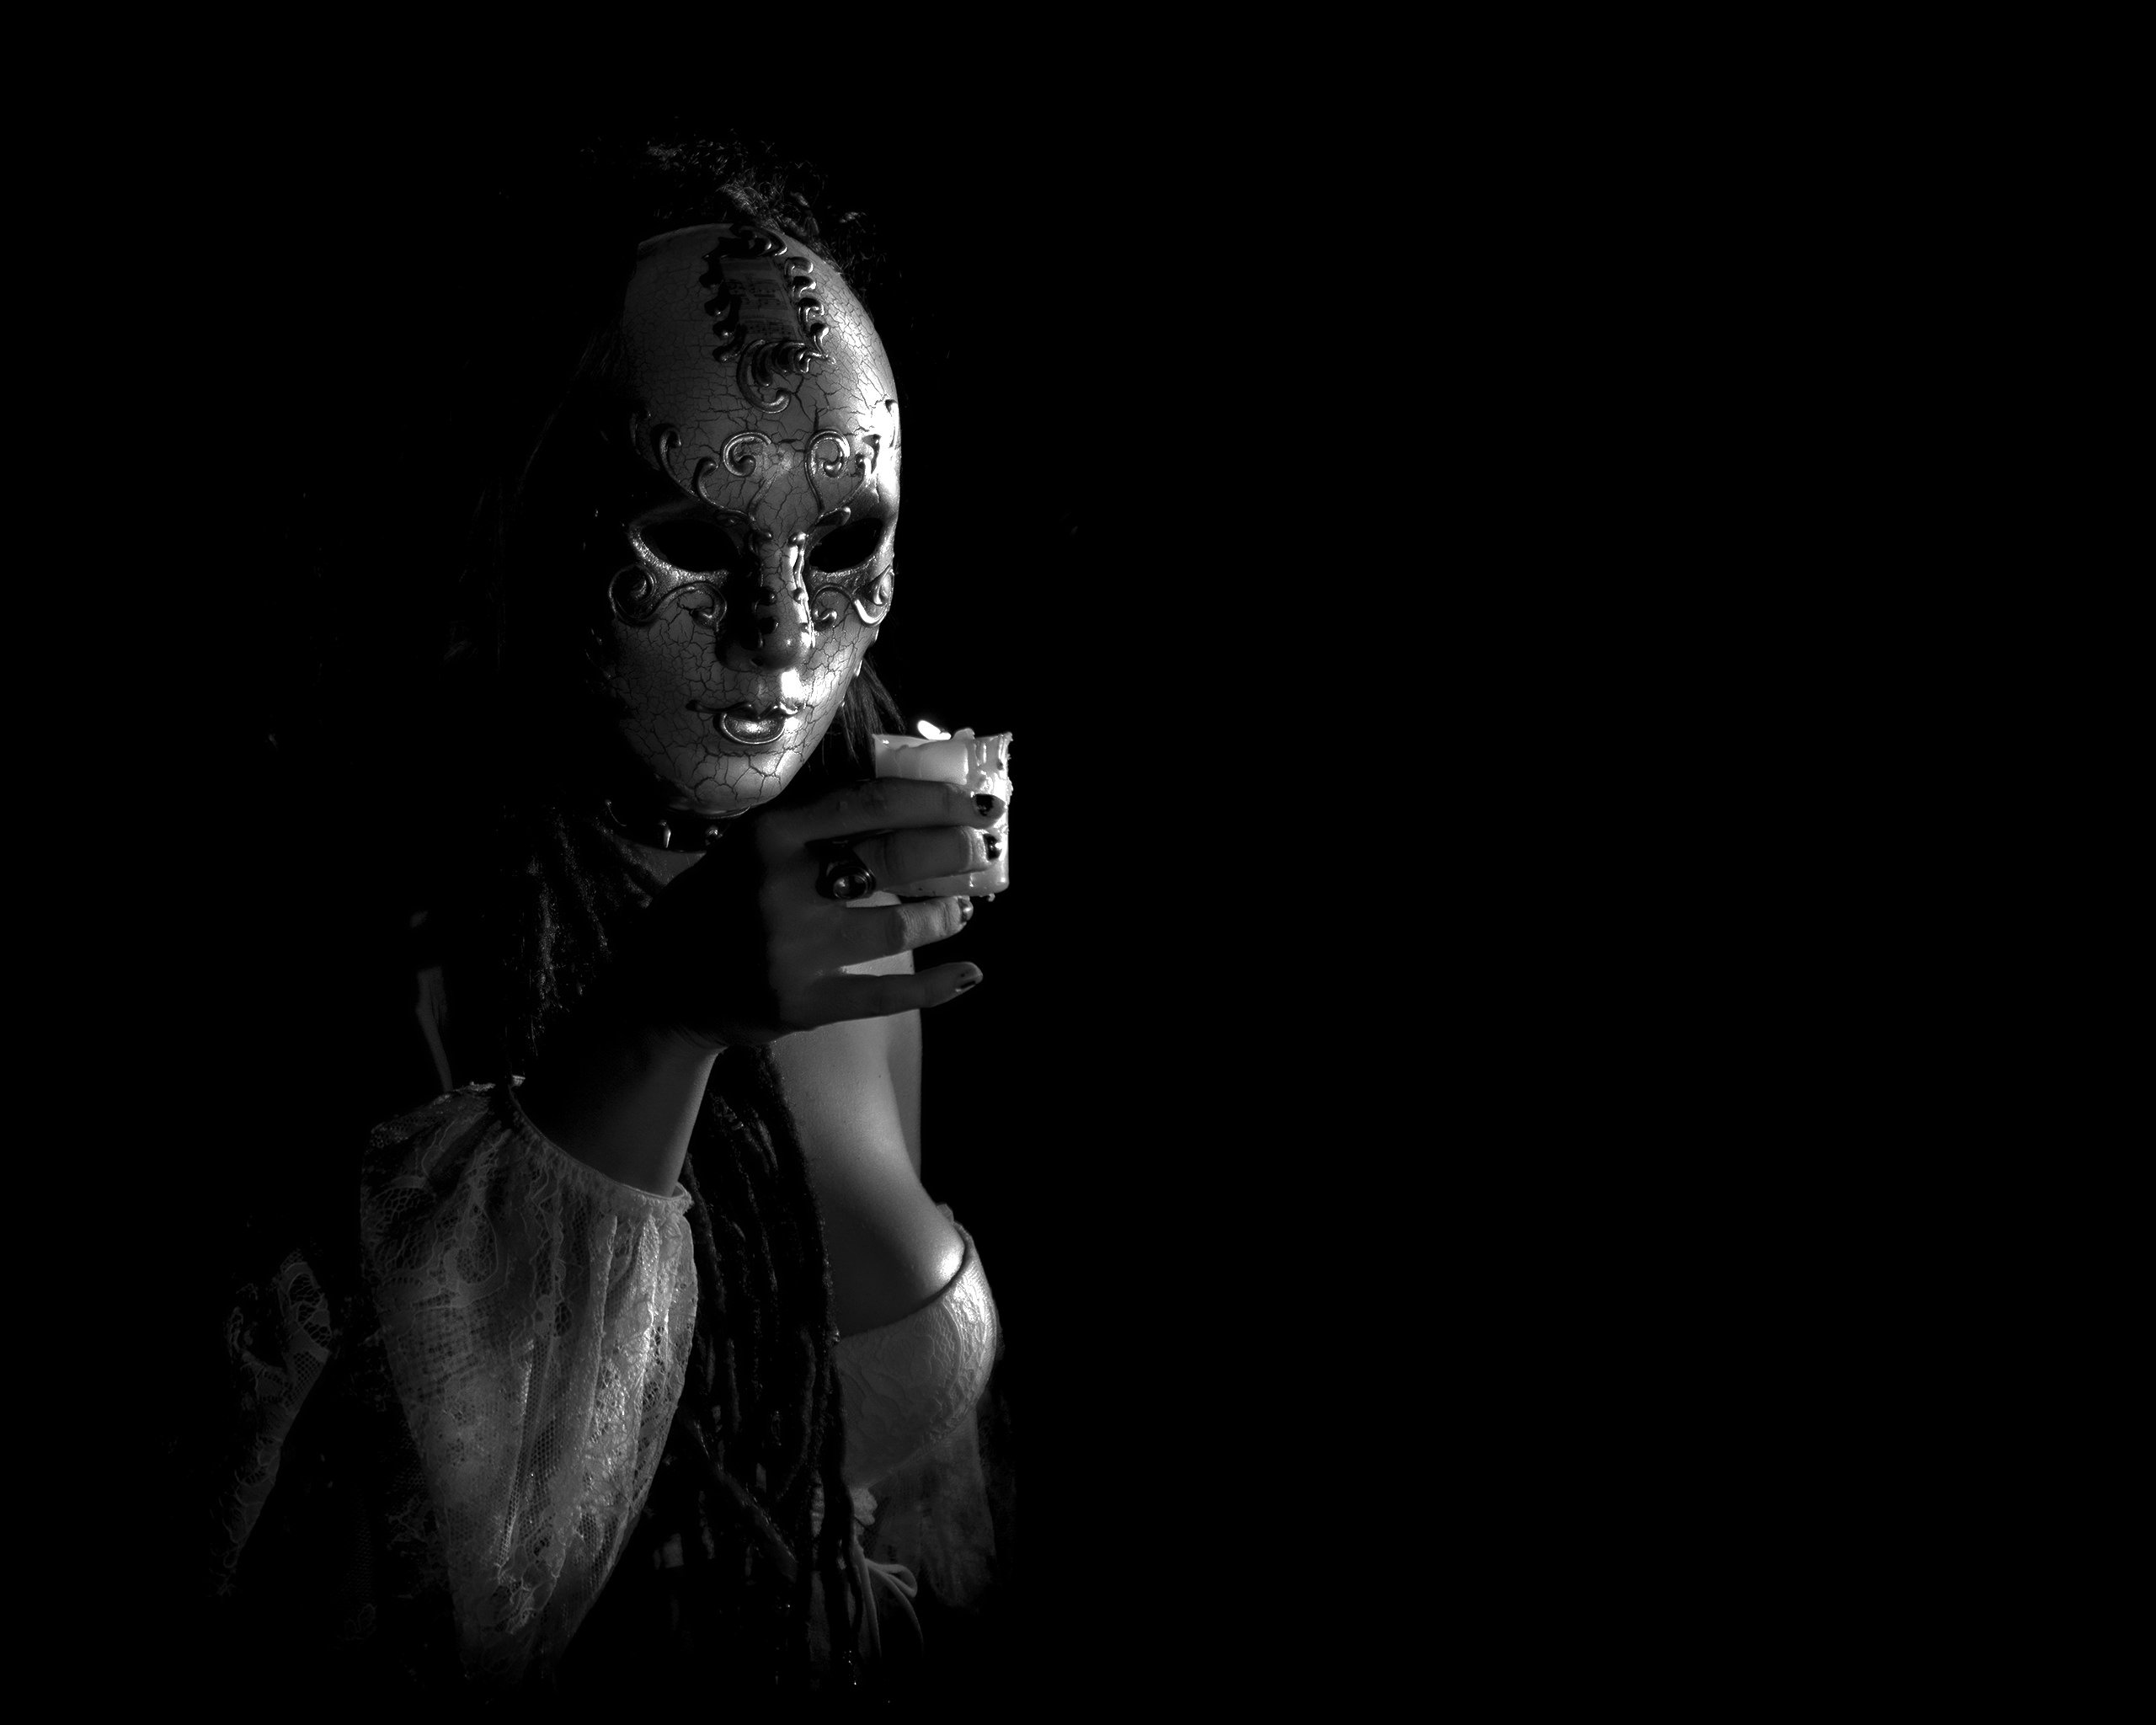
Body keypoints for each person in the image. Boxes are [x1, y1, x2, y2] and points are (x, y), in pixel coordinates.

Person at [203, 142, 1009, 1701]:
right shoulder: (391, 936)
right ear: (534, 510)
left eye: (842, 540)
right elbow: (370, 1608)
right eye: (693, 540)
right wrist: (651, 1036)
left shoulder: (858, 888)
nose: (778, 630)